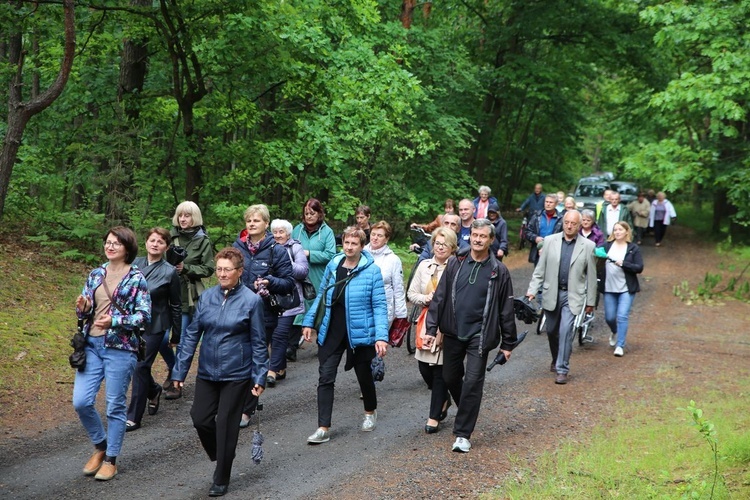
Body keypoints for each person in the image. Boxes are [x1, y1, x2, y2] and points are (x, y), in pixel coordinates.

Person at [171, 248, 268, 497]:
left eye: (227, 269)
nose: (222, 274)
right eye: (219, 269)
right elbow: (192, 334)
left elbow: (258, 343)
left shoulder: (252, 301)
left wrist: (259, 378)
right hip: (207, 371)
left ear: (239, 272)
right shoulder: (207, 298)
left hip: (237, 374)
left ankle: (221, 477)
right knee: (200, 418)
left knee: (226, 424)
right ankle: (223, 452)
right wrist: (179, 371)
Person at [424, 219, 518, 453]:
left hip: (480, 335)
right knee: (449, 377)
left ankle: (462, 434)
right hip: (454, 332)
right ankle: (466, 405)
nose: (477, 239)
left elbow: (506, 309)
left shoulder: (499, 271)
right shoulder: (456, 263)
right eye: (474, 235)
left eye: (483, 236)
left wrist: (508, 343)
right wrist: (430, 329)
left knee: (474, 382)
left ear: (491, 240)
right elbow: (439, 298)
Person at [73, 227, 151, 481]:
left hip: (120, 348)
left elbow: (144, 316)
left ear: (127, 248)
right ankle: (100, 444)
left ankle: (111, 459)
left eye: (116, 243)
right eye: (107, 242)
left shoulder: (137, 277)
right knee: (81, 401)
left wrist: (115, 322)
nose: (110, 247)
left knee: (114, 405)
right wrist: (83, 308)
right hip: (91, 345)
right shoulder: (96, 274)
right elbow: (85, 313)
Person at [302, 226, 389, 444]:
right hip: (332, 330)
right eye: (347, 243)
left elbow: (379, 305)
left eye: (354, 244)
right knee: (325, 377)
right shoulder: (334, 264)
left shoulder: (371, 270)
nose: (349, 247)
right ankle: (323, 427)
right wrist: (309, 321)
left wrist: (381, 336)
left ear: (362, 246)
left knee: (364, 376)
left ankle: (370, 411)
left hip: (359, 333)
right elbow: (321, 294)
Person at [233, 204, 295, 426]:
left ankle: (246, 409)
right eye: (249, 220)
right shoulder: (237, 247)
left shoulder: (276, 250)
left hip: (265, 313)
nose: (251, 224)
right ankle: (236, 403)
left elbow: (288, 282)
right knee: (238, 360)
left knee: (255, 360)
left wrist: (270, 281)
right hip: (237, 313)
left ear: (266, 224)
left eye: (256, 220)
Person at [526, 210, 597, 385]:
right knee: (551, 331)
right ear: (563, 222)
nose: (570, 225)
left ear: (579, 225)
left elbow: (591, 276)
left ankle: (562, 368)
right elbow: (540, 270)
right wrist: (532, 290)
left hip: (572, 294)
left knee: (566, 331)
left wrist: (591, 302)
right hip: (552, 292)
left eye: (573, 223)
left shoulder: (588, 246)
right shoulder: (550, 241)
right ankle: (557, 357)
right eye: (567, 222)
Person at [126, 228, 181, 432]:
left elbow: (175, 304)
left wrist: (177, 333)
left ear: (166, 246)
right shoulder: (134, 264)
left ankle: (133, 416)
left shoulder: (170, 271)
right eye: (152, 240)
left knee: (140, 365)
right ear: (146, 242)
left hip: (156, 324)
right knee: (134, 365)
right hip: (132, 323)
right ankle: (154, 389)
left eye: (160, 241)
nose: (155, 244)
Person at [407, 227, 457, 434]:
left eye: (444, 244)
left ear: (452, 248)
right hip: (425, 321)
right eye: (437, 243)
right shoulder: (424, 266)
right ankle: (445, 398)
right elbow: (412, 293)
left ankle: (433, 416)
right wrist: (426, 299)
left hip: (446, 323)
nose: (440, 247)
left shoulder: (456, 267)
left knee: (439, 371)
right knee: (424, 368)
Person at [166, 201, 215, 399]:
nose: (183, 219)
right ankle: (174, 368)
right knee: (161, 339)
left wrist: (186, 268)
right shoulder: (169, 237)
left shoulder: (203, 240)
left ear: (195, 217)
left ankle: (177, 382)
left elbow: (208, 268)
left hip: (187, 295)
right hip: (164, 294)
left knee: (183, 340)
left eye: (187, 216)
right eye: (180, 216)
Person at [288, 198, 337, 362]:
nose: (309, 216)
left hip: (319, 276)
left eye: (312, 213)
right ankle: (291, 347)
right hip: (299, 276)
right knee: (297, 309)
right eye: (306, 213)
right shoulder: (297, 230)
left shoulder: (327, 232)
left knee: (319, 310)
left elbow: (331, 255)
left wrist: (308, 254)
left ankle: (322, 344)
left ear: (319, 213)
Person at [267, 219, 308, 386]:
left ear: (288, 234)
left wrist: (284, 262)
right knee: (271, 334)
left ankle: (271, 371)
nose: (277, 235)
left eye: (281, 232)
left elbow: (303, 271)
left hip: (289, 299)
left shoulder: (295, 248)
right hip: (269, 299)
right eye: (275, 232)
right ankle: (280, 367)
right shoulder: (267, 247)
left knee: (279, 334)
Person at [599, 221, 644, 357]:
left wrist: (624, 264)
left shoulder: (633, 248)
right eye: (615, 230)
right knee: (610, 317)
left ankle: (620, 345)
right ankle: (614, 331)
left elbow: (639, 267)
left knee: (622, 316)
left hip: (626, 288)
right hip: (609, 287)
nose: (617, 232)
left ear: (626, 232)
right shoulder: (606, 246)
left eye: (620, 229)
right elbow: (595, 256)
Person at [364, 221, 407, 325]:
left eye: (379, 235)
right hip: (362, 308)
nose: (375, 238)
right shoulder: (361, 254)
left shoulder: (393, 260)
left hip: (383, 310)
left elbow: (398, 289)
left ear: (386, 239)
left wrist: (401, 315)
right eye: (373, 234)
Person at [525, 194, 561, 265]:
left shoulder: (561, 219)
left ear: (556, 204)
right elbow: (527, 231)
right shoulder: (536, 216)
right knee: (538, 274)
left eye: (551, 202)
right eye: (546, 202)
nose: (548, 204)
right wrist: (535, 238)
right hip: (538, 251)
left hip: (554, 252)